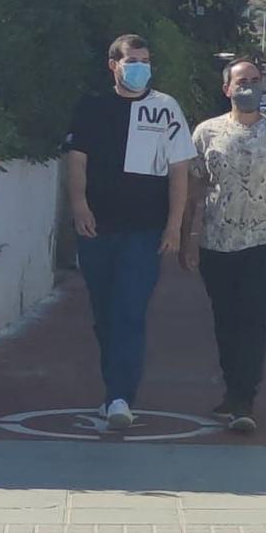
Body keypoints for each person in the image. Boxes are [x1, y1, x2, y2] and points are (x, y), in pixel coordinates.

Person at [62, 34, 195, 430]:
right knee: (105, 314)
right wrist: (79, 205)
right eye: (132, 60)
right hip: (97, 229)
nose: (140, 66)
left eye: (145, 59)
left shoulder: (165, 108)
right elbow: (76, 161)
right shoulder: (92, 107)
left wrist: (174, 225)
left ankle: (121, 396)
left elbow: (179, 173)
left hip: (145, 232)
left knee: (129, 311)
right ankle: (112, 391)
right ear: (113, 65)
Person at [181, 59, 266, 434]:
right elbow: (193, 190)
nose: (249, 87)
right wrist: (187, 239)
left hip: (263, 242)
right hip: (217, 242)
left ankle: (244, 398)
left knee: (252, 320)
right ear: (227, 89)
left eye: (255, 81)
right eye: (242, 82)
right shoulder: (206, 133)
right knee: (225, 320)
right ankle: (231, 388)